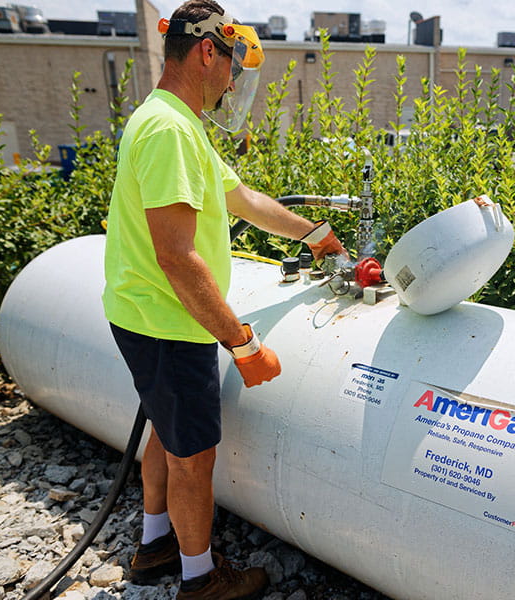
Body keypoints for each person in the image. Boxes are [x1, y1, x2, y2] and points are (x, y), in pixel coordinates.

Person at [102, 1, 346, 598]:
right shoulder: (170, 131)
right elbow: (177, 257)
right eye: (233, 67)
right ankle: (200, 581)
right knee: (193, 457)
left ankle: (156, 546)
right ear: (207, 51)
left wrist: (314, 234)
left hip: (149, 314)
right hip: (166, 320)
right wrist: (242, 343)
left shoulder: (175, 122)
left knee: (167, 433)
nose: (234, 83)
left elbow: (244, 200)